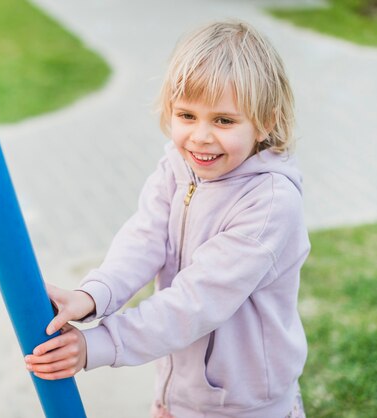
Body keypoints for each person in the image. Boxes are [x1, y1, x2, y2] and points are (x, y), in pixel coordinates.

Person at [24, 20, 310, 418]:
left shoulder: (269, 204)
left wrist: (97, 345)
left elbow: (196, 302)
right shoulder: (178, 166)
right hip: (180, 387)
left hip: (245, 404)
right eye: (187, 115)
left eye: (224, 120)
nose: (201, 137)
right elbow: (145, 238)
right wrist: (92, 296)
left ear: (265, 120)